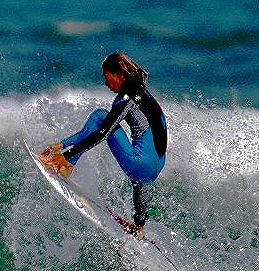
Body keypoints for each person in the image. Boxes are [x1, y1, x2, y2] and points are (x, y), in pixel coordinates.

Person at [40, 52, 167, 239]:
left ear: (120, 75)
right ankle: (139, 225)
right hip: (155, 167)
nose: (106, 84)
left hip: (140, 163)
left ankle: (67, 163)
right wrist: (62, 144)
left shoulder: (127, 97)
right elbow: (101, 131)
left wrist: (66, 154)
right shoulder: (143, 93)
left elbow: (103, 132)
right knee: (138, 180)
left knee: (100, 115)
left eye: (107, 77)